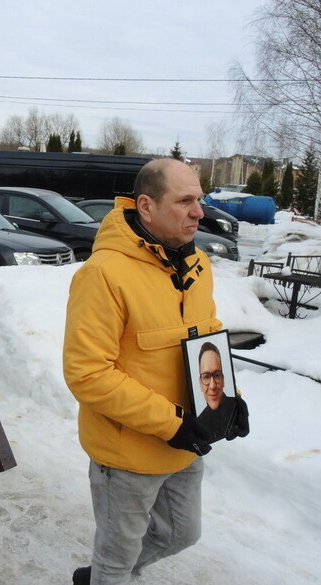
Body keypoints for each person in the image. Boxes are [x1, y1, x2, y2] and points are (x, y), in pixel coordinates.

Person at [63, 158, 250, 585]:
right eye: (185, 201)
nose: (199, 212)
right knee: (116, 559)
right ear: (146, 206)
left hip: (187, 440)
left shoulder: (198, 264)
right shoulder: (104, 274)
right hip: (127, 452)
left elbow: (208, 336)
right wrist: (172, 423)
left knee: (182, 534)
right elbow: (87, 373)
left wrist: (224, 399)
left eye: (199, 200)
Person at [196, 342, 238, 442]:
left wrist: (237, 395)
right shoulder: (199, 423)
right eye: (206, 376)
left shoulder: (235, 410)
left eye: (217, 375)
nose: (212, 386)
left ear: (223, 379)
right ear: (200, 383)